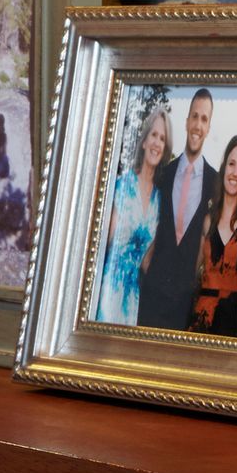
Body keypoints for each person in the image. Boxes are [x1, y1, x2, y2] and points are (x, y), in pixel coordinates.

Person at [139, 89, 219, 330]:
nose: (197, 124)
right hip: (150, 300)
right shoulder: (164, 172)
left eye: (204, 119)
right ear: (186, 122)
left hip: (183, 310)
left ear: (208, 127)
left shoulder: (215, 183)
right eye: (194, 116)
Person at [93, 108, 169, 325]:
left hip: (133, 300)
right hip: (108, 290)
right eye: (153, 135)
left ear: (164, 148)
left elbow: (146, 262)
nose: (157, 143)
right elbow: (103, 246)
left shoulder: (159, 200)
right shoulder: (123, 186)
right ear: (144, 141)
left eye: (162, 139)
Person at [189, 136, 237, 336]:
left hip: (231, 326)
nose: (235, 172)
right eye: (231, 164)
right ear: (224, 167)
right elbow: (191, 271)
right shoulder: (208, 220)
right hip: (200, 323)